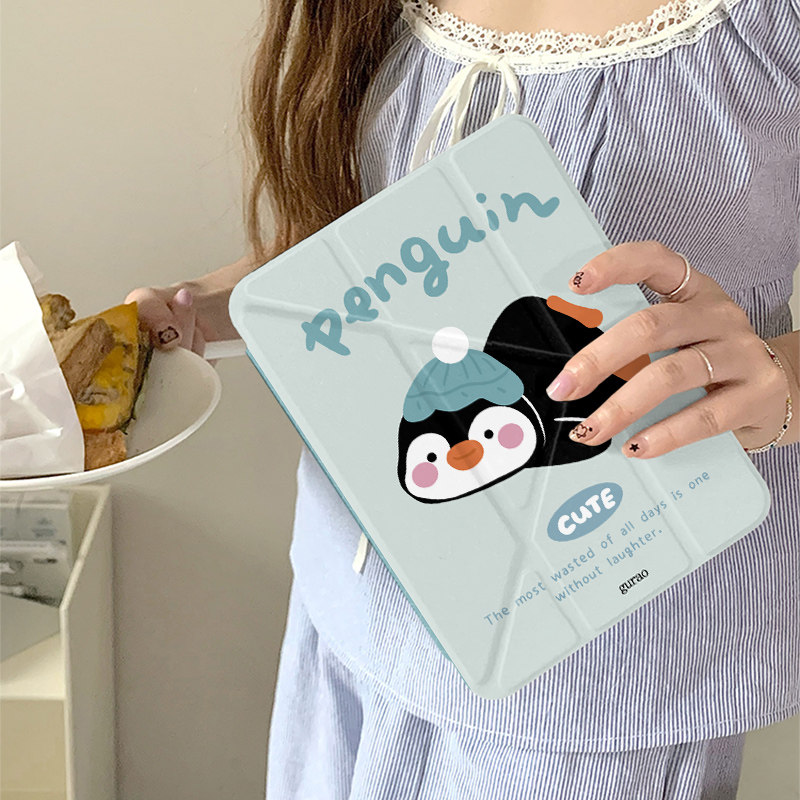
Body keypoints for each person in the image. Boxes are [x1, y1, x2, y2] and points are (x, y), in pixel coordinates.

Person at [126, 0, 800, 796]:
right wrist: (208, 307)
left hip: (598, 667)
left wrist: (782, 384)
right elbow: (368, 232)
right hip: (350, 612)